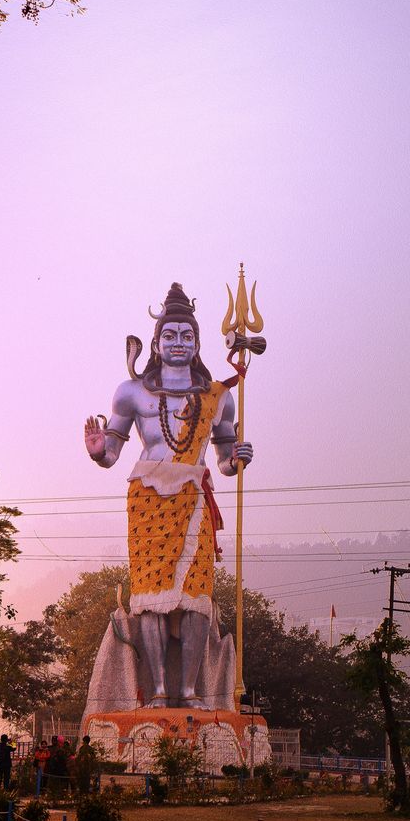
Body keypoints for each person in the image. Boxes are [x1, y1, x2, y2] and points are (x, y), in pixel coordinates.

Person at [84, 283, 253, 708]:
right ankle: (158, 691)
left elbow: (226, 462)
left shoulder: (218, 396)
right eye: (170, 336)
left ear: (196, 344)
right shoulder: (133, 392)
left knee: (196, 597)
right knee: (150, 597)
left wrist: (237, 457)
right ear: (157, 344)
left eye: (187, 336)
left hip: (194, 496)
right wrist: (97, 451)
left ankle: (191, 691)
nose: (178, 343)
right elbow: (112, 454)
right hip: (146, 498)